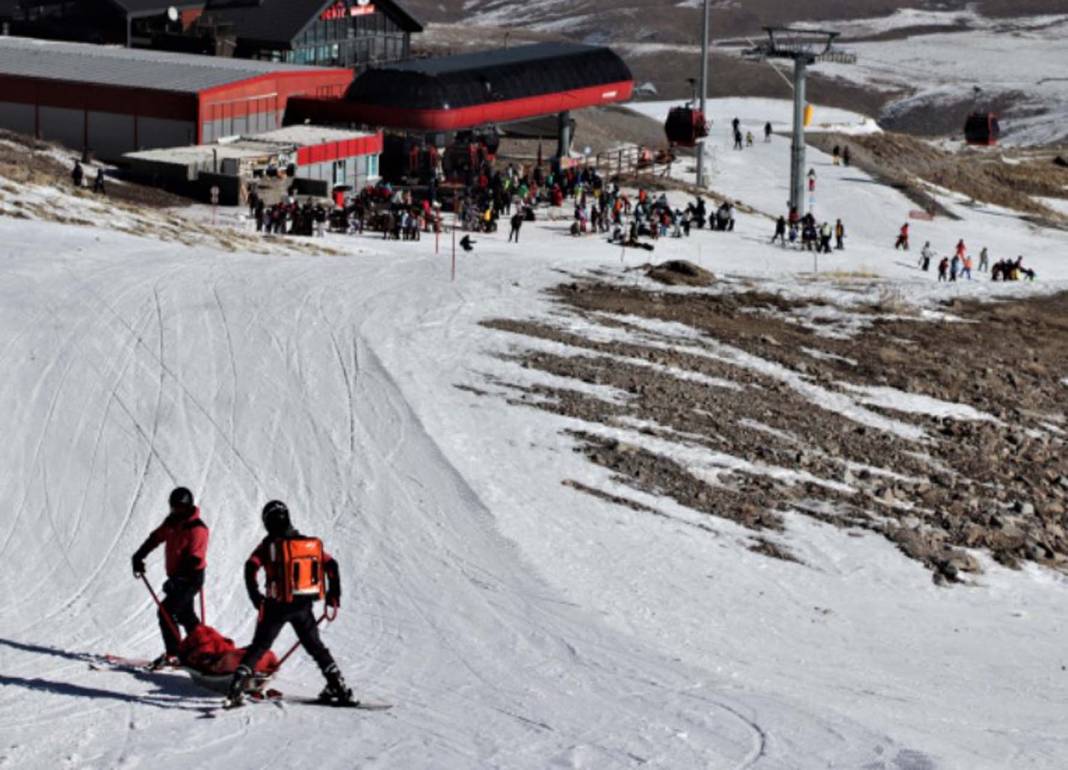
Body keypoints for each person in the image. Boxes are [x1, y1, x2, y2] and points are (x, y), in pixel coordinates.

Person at [225, 501, 351, 707]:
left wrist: (256, 597)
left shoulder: (268, 545)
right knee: (316, 648)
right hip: (303, 606)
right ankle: (337, 685)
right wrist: (333, 594)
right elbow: (331, 564)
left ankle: (236, 687)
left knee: (259, 647)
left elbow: (250, 567)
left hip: (276, 606)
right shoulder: (304, 543)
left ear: (267, 521)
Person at [131, 487, 208, 669]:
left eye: (180, 508)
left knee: (166, 611)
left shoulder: (197, 528)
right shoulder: (172, 523)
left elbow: (195, 558)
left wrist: (178, 580)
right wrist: (139, 556)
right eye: (174, 508)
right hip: (177, 576)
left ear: (188, 507)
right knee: (185, 614)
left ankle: (174, 654)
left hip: (191, 577)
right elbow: (156, 538)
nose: (176, 512)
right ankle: (200, 650)